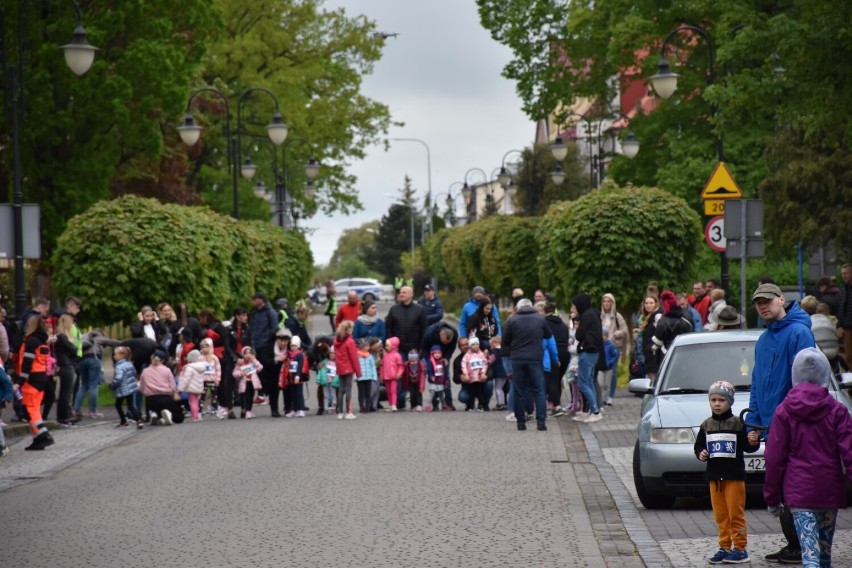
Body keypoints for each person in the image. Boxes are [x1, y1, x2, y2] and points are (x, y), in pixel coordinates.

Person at [746, 282, 816, 564]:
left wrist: (794, 421)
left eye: (767, 301)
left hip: (794, 429)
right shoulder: (764, 340)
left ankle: (803, 546)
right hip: (771, 429)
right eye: (758, 303)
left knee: (793, 489)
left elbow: (808, 383)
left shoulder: (799, 333)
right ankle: (793, 544)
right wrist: (752, 421)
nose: (763, 306)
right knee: (780, 488)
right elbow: (757, 383)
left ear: (780, 300)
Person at [765, 348, 852, 567]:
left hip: (798, 491)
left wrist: (772, 497)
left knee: (809, 554)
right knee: (824, 555)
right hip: (829, 490)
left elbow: (774, 458)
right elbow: (849, 453)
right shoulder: (838, 410)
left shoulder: (784, 411)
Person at [694, 380, 760, 564]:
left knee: (735, 514)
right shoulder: (706, 425)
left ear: (730, 402)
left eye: (721, 400)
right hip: (715, 478)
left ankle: (740, 548)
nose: (716, 403)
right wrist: (701, 453)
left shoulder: (739, 424)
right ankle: (724, 546)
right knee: (721, 515)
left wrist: (753, 440)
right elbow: (699, 446)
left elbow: (748, 447)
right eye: (713, 399)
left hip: (734, 477)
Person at [503, 298, 554, 431]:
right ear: (531, 306)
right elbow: (548, 335)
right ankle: (541, 422)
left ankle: (521, 422)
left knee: (519, 390)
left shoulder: (512, 320)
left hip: (517, 359)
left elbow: (505, 340)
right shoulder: (540, 318)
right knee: (539, 390)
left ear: (518, 308)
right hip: (535, 358)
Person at [384, 285, 427, 410]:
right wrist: (390, 346)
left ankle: (416, 403)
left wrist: (422, 348)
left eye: (404, 292)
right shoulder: (394, 309)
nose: (401, 294)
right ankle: (399, 402)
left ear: (411, 294)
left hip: (415, 349)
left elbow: (424, 330)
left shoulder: (419, 309)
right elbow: (389, 328)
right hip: (398, 350)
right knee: (398, 375)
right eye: (400, 292)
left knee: (415, 376)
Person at [16, 315, 55, 450]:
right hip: (41, 378)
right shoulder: (42, 341)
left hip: (31, 380)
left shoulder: (31, 341)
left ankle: (44, 436)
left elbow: (27, 363)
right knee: (34, 410)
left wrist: (19, 382)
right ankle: (37, 439)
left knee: (30, 410)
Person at [572, 293, 603, 423]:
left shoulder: (586, 315)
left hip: (587, 351)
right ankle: (593, 410)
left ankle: (595, 411)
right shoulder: (594, 312)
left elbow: (578, 336)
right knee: (589, 381)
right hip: (594, 352)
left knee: (583, 383)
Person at [74, 329, 119, 419]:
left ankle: (76, 410)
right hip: (94, 360)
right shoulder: (99, 337)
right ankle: (92, 411)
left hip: (81, 362)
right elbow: (113, 342)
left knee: (84, 385)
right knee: (93, 386)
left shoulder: (84, 337)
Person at [250, 293, 280, 417]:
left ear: (261, 300)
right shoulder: (254, 313)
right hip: (256, 348)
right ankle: (262, 394)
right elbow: (252, 329)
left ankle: (274, 408)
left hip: (267, 349)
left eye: (254, 299)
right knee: (259, 375)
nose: (252, 302)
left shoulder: (271, 312)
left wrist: (267, 343)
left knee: (271, 379)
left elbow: (275, 329)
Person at [420, 321, 458, 409]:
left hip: (443, 355)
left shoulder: (454, 333)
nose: (446, 343)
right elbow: (424, 348)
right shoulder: (430, 333)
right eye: (444, 341)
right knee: (433, 378)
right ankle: (435, 403)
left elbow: (451, 348)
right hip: (431, 354)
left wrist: (447, 358)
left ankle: (448, 403)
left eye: (448, 342)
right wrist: (430, 362)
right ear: (441, 335)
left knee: (446, 377)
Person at [138, 349, 181, 425]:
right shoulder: (167, 370)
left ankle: (154, 414)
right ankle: (168, 415)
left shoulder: (145, 371)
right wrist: (172, 393)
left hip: (150, 399)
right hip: (165, 398)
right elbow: (173, 385)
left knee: (155, 409)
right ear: (163, 360)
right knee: (179, 417)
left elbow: (141, 387)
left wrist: (146, 393)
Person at [53, 314, 80, 426]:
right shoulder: (62, 337)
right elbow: (73, 349)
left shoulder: (58, 337)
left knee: (64, 392)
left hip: (63, 364)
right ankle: (65, 416)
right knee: (66, 392)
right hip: (67, 365)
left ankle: (62, 416)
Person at [652, 290, 694, 359]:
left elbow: (658, 338)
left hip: (668, 352)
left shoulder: (663, 321)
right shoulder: (687, 315)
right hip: (687, 350)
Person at [333, 320, 361, 420]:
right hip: (349, 368)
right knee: (348, 390)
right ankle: (348, 412)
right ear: (348, 329)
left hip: (340, 367)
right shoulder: (350, 341)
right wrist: (358, 372)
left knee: (341, 390)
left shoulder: (336, 340)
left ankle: (340, 412)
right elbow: (354, 357)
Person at [111, 345, 144, 430]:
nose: (114, 356)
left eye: (115, 355)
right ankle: (139, 420)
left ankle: (123, 421)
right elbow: (134, 373)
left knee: (118, 405)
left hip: (122, 389)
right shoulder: (130, 364)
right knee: (131, 405)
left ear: (121, 356)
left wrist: (112, 385)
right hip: (130, 389)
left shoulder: (119, 366)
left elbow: (118, 378)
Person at [178, 349, 208, 423]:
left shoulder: (189, 367)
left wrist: (180, 388)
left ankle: (195, 417)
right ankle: (198, 414)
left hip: (191, 388)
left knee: (193, 402)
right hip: (199, 387)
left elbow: (186, 379)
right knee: (197, 402)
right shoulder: (202, 367)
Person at [233, 346, 263, 419]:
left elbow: (260, 368)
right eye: (246, 353)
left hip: (251, 383)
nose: (248, 355)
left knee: (250, 397)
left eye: (250, 353)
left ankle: (248, 411)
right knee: (244, 397)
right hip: (243, 383)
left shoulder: (253, 362)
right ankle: (245, 411)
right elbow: (234, 373)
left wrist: (255, 360)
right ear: (242, 354)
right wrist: (240, 373)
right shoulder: (240, 363)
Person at [461, 337, 489, 411]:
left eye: (477, 344)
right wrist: (466, 374)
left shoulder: (481, 354)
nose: (476, 346)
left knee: (480, 392)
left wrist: (483, 373)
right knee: (471, 393)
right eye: (473, 344)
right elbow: (464, 365)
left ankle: (481, 405)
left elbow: (485, 364)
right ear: (470, 346)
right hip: (471, 378)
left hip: (479, 377)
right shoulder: (467, 355)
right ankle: (471, 405)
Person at [283, 335, 308, 418]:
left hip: (298, 377)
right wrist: (286, 377)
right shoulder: (289, 355)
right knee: (292, 394)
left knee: (299, 393)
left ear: (298, 346)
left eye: (294, 346)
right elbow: (287, 366)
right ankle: (294, 409)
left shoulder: (299, 355)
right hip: (290, 377)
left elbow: (300, 366)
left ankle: (301, 409)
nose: (293, 347)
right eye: (292, 346)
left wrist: (298, 376)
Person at [596, 328, 620, 407]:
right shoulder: (599, 345)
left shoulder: (611, 345)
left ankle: (605, 399)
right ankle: (600, 399)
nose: (603, 337)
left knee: (607, 384)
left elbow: (615, 355)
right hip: (600, 367)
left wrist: (610, 363)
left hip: (608, 368)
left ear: (607, 336)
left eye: (604, 336)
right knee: (600, 384)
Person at [381, 336, 404, 412]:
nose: (386, 347)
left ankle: (394, 404)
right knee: (388, 391)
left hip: (394, 376)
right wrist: (382, 374)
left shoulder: (397, 355)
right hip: (386, 376)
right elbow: (382, 366)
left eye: (387, 345)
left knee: (393, 390)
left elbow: (401, 366)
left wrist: (399, 373)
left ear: (393, 346)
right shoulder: (385, 356)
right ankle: (391, 404)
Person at [355, 339, 377, 414]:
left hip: (368, 377)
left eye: (368, 346)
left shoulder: (370, 356)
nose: (368, 347)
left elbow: (373, 366)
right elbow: (355, 366)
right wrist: (355, 376)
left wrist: (374, 376)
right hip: (360, 377)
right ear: (361, 347)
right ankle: (362, 406)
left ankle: (367, 406)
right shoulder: (357, 356)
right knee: (361, 393)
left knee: (368, 392)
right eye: (366, 346)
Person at [425, 344, 448, 411]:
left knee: (441, 394)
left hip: (440, 380)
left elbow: (445, 371)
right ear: (432, 354)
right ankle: (428, 405)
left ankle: (444, 405)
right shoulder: (430, 362)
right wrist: (431, 376)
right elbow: (429, 370)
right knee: (432, 393)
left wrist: (446, 380)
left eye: (439, 353)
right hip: (433, 381)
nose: (437, 355)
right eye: (435, 353)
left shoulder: (442, 362)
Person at [836, 263, 852, 361]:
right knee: (849, 355)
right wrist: (839, 325)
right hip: (847, 327)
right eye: (842, 273)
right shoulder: (843, 289)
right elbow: (842, 308)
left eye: (846, 273)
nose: (844, 276)